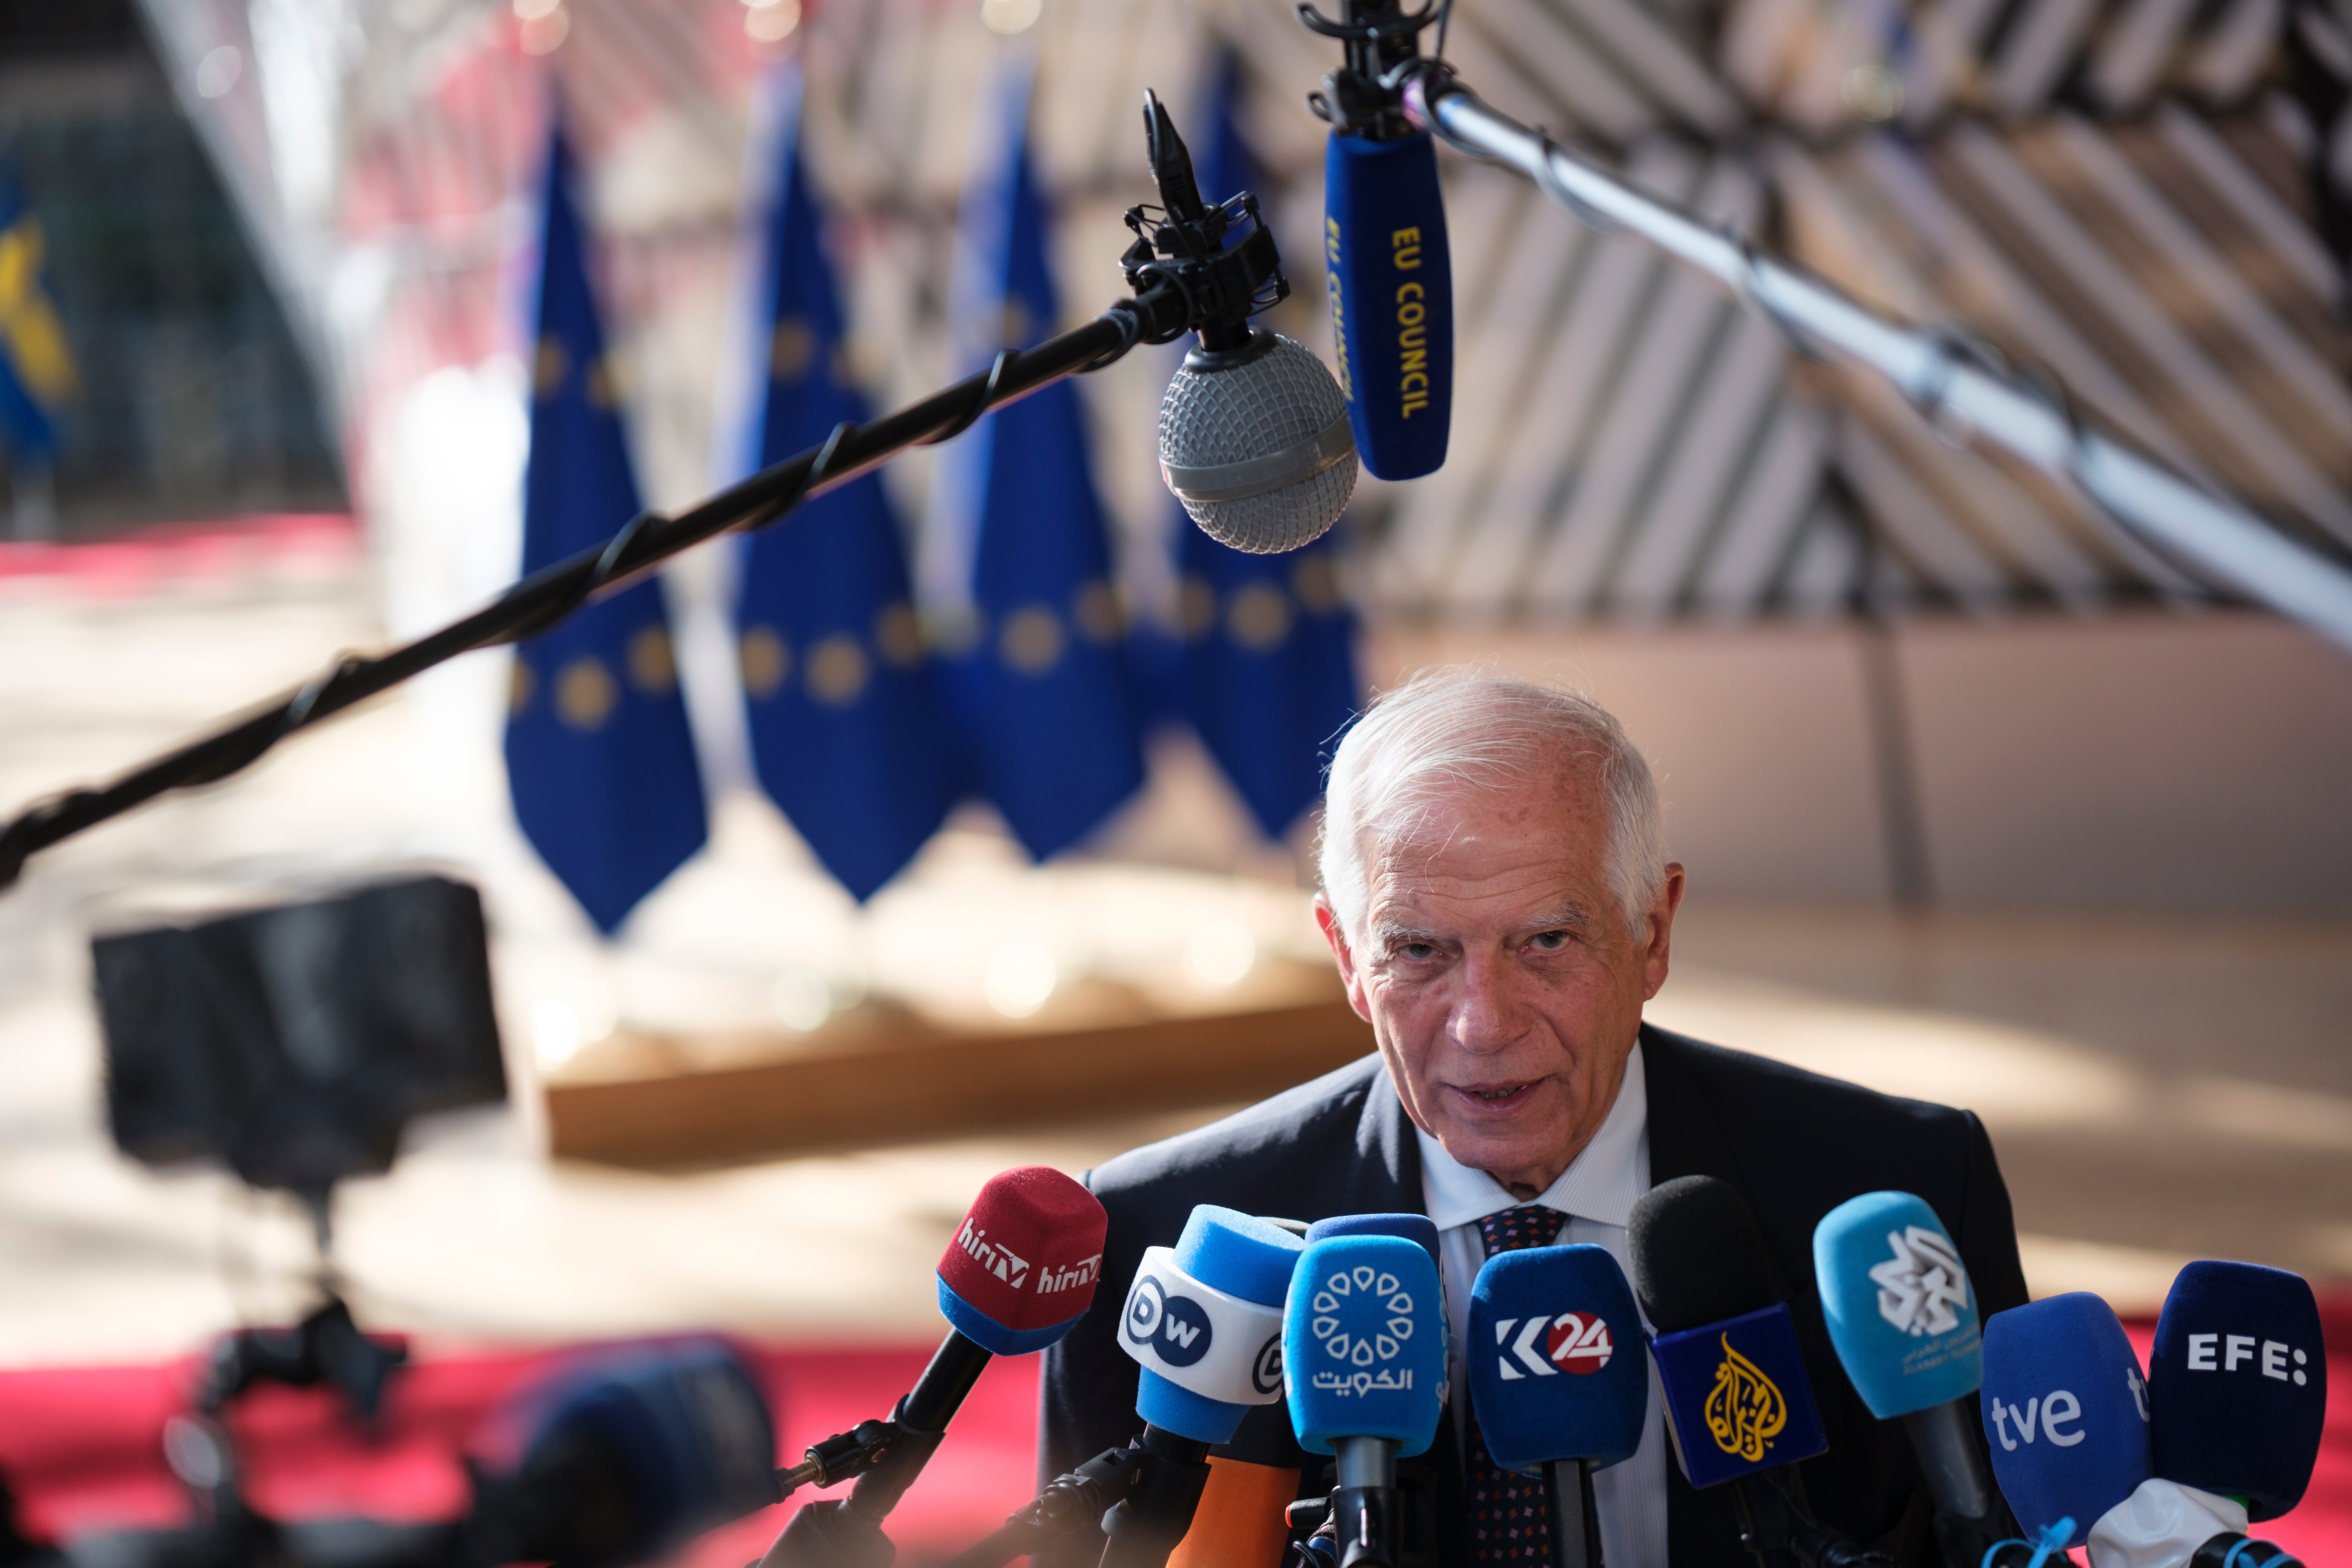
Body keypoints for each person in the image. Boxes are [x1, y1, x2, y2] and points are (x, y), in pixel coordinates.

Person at [1037, 668, 2028, 1568]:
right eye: (1419, 950)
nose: (1483, 1023)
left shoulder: (1903, 1192)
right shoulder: (1160, 1241)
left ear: (1654, 931)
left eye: (1548, 940)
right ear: (1345, 956)